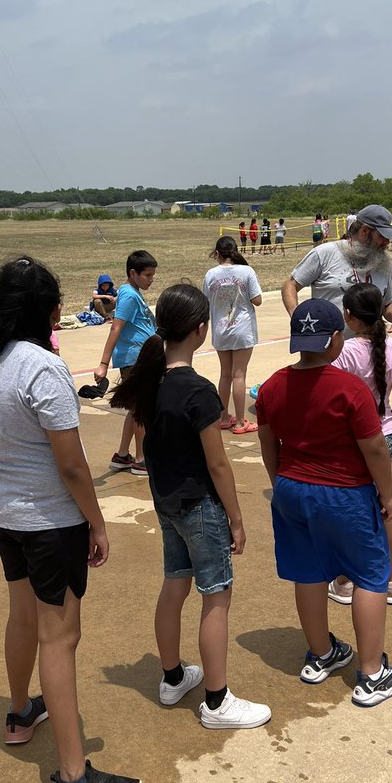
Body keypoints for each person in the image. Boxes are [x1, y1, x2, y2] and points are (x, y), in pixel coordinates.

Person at [0, 256, 141, 783]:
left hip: (7, 516)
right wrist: (97, 520)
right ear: (49, 311)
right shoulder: (41, 368)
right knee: (59, 638)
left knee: (23, 616)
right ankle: (73, 776)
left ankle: (20, 712)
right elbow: (71, 466)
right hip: (49, 521)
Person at [110, 284, 271, 730]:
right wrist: (236, 519)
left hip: (166, 503)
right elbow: (218, 464)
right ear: (201, 330)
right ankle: (217, 702)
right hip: (200, 505)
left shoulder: (149, 380)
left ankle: (172, 677)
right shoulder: (198, 391)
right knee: (216, 597)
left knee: (175, 586)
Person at [255, 299, 392, 707]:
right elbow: (375, 449)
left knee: (307, 573)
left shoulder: (272, 385)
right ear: (335, 339)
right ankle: (373, 674)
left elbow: (267, 444)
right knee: (370, 575)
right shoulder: (350, 389)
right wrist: (388, 494)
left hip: (291, 487)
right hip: (345, 493)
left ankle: (321, 653)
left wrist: (280, 481)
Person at [330, 284, 392, 604]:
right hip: (388, 438)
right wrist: (389, 416)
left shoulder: (345, 352)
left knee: (353, 511)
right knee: (389, 508)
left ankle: (345, 580)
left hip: (354, 441)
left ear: (349, 316)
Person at [281, 204, 392, 339]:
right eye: (382, 236)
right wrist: (296, 315)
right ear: (364, 231)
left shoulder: (384, 263)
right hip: (327, 350)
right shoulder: (325, 254)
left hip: (369, 350)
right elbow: (290, 285)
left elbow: (387, 303)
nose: (387, 242)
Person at [94, 249, 157, 476]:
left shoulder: (132, 293)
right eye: (147, 275)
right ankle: (141, 459)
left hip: (140, 357)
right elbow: (116, 327)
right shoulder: (129, 295)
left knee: (134, 408)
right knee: (141, 410)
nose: (151, 280)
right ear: (133, 272)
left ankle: (122, 455)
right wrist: (103, 363)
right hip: (134, 358)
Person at [203, 236, 262, 435]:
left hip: (221, 330)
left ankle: (223, 417)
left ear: (217, 253)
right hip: (242, 329)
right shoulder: (247, 271)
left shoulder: (211, 274)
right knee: (239, 374)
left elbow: (205, 300)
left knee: (225, 374)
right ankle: (239, 422)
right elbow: (257, 299)